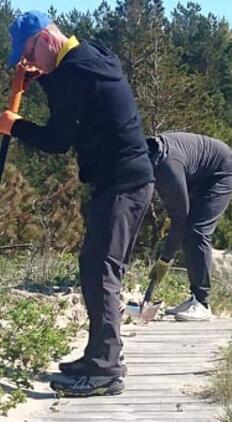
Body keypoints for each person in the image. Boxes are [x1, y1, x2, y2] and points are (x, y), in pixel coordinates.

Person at [0, 11, 155, 396]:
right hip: (123, 180)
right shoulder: (89, 55)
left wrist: (12, 125)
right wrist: (44, 78)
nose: (29, 62)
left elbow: (56, 140)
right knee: (95, 265)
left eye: (30, 53)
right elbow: (75, 97)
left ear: (47, 40)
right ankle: (97, 355)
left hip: (123, 182)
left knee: (100, 270)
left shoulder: (75, 73)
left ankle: (105, 369)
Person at [145, 132, 232, 321]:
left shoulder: (166, 168)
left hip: (222, 173)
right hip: (199, 175)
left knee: (197, 230)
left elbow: (179, 220)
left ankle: (202, 303)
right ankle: (194, 299)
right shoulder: (145, 155)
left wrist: (165, 260)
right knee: (190, 229)